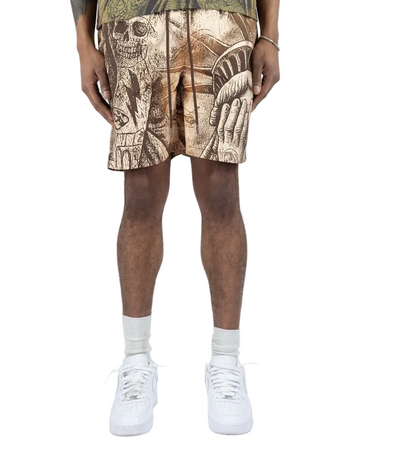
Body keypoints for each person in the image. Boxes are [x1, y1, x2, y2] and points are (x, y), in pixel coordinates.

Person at [70, 0, 280, 436]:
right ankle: (136, 362)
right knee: (141, 195)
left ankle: (225, 361)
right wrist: (82, 42)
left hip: (223, 16)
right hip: (132, 19)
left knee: (221, 190)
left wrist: (270, 33)